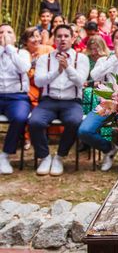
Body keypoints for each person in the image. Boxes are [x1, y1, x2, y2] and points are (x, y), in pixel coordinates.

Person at [78, 28, 118, 171]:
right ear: (113, 41)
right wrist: (115, 58)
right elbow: (95, 76)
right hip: (107, 104)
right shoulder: (105, 59)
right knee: (84, 130)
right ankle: (108, 150)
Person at [31, 25, 90, 176]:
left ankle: (59, 157)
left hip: (71, 102)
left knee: (74, 121)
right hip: (48, 101)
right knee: (35, 122)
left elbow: (80, 81)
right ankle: (44, 157)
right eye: (59, 36)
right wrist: (57, 71)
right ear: (54, 38)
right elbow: (38, 82)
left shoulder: (81, 58)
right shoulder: (45, 59)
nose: (62, 39)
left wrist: (68, 68)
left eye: (66, 36)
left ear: (72, 39)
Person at [0, 24, 31, 174]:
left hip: (17, 97)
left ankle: (5, 155)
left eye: (8, 32)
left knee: (20, 117)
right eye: (1, 32)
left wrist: (10, 50)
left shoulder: (22, 53)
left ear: (14, 37)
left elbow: (24, 68)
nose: (4, 35)